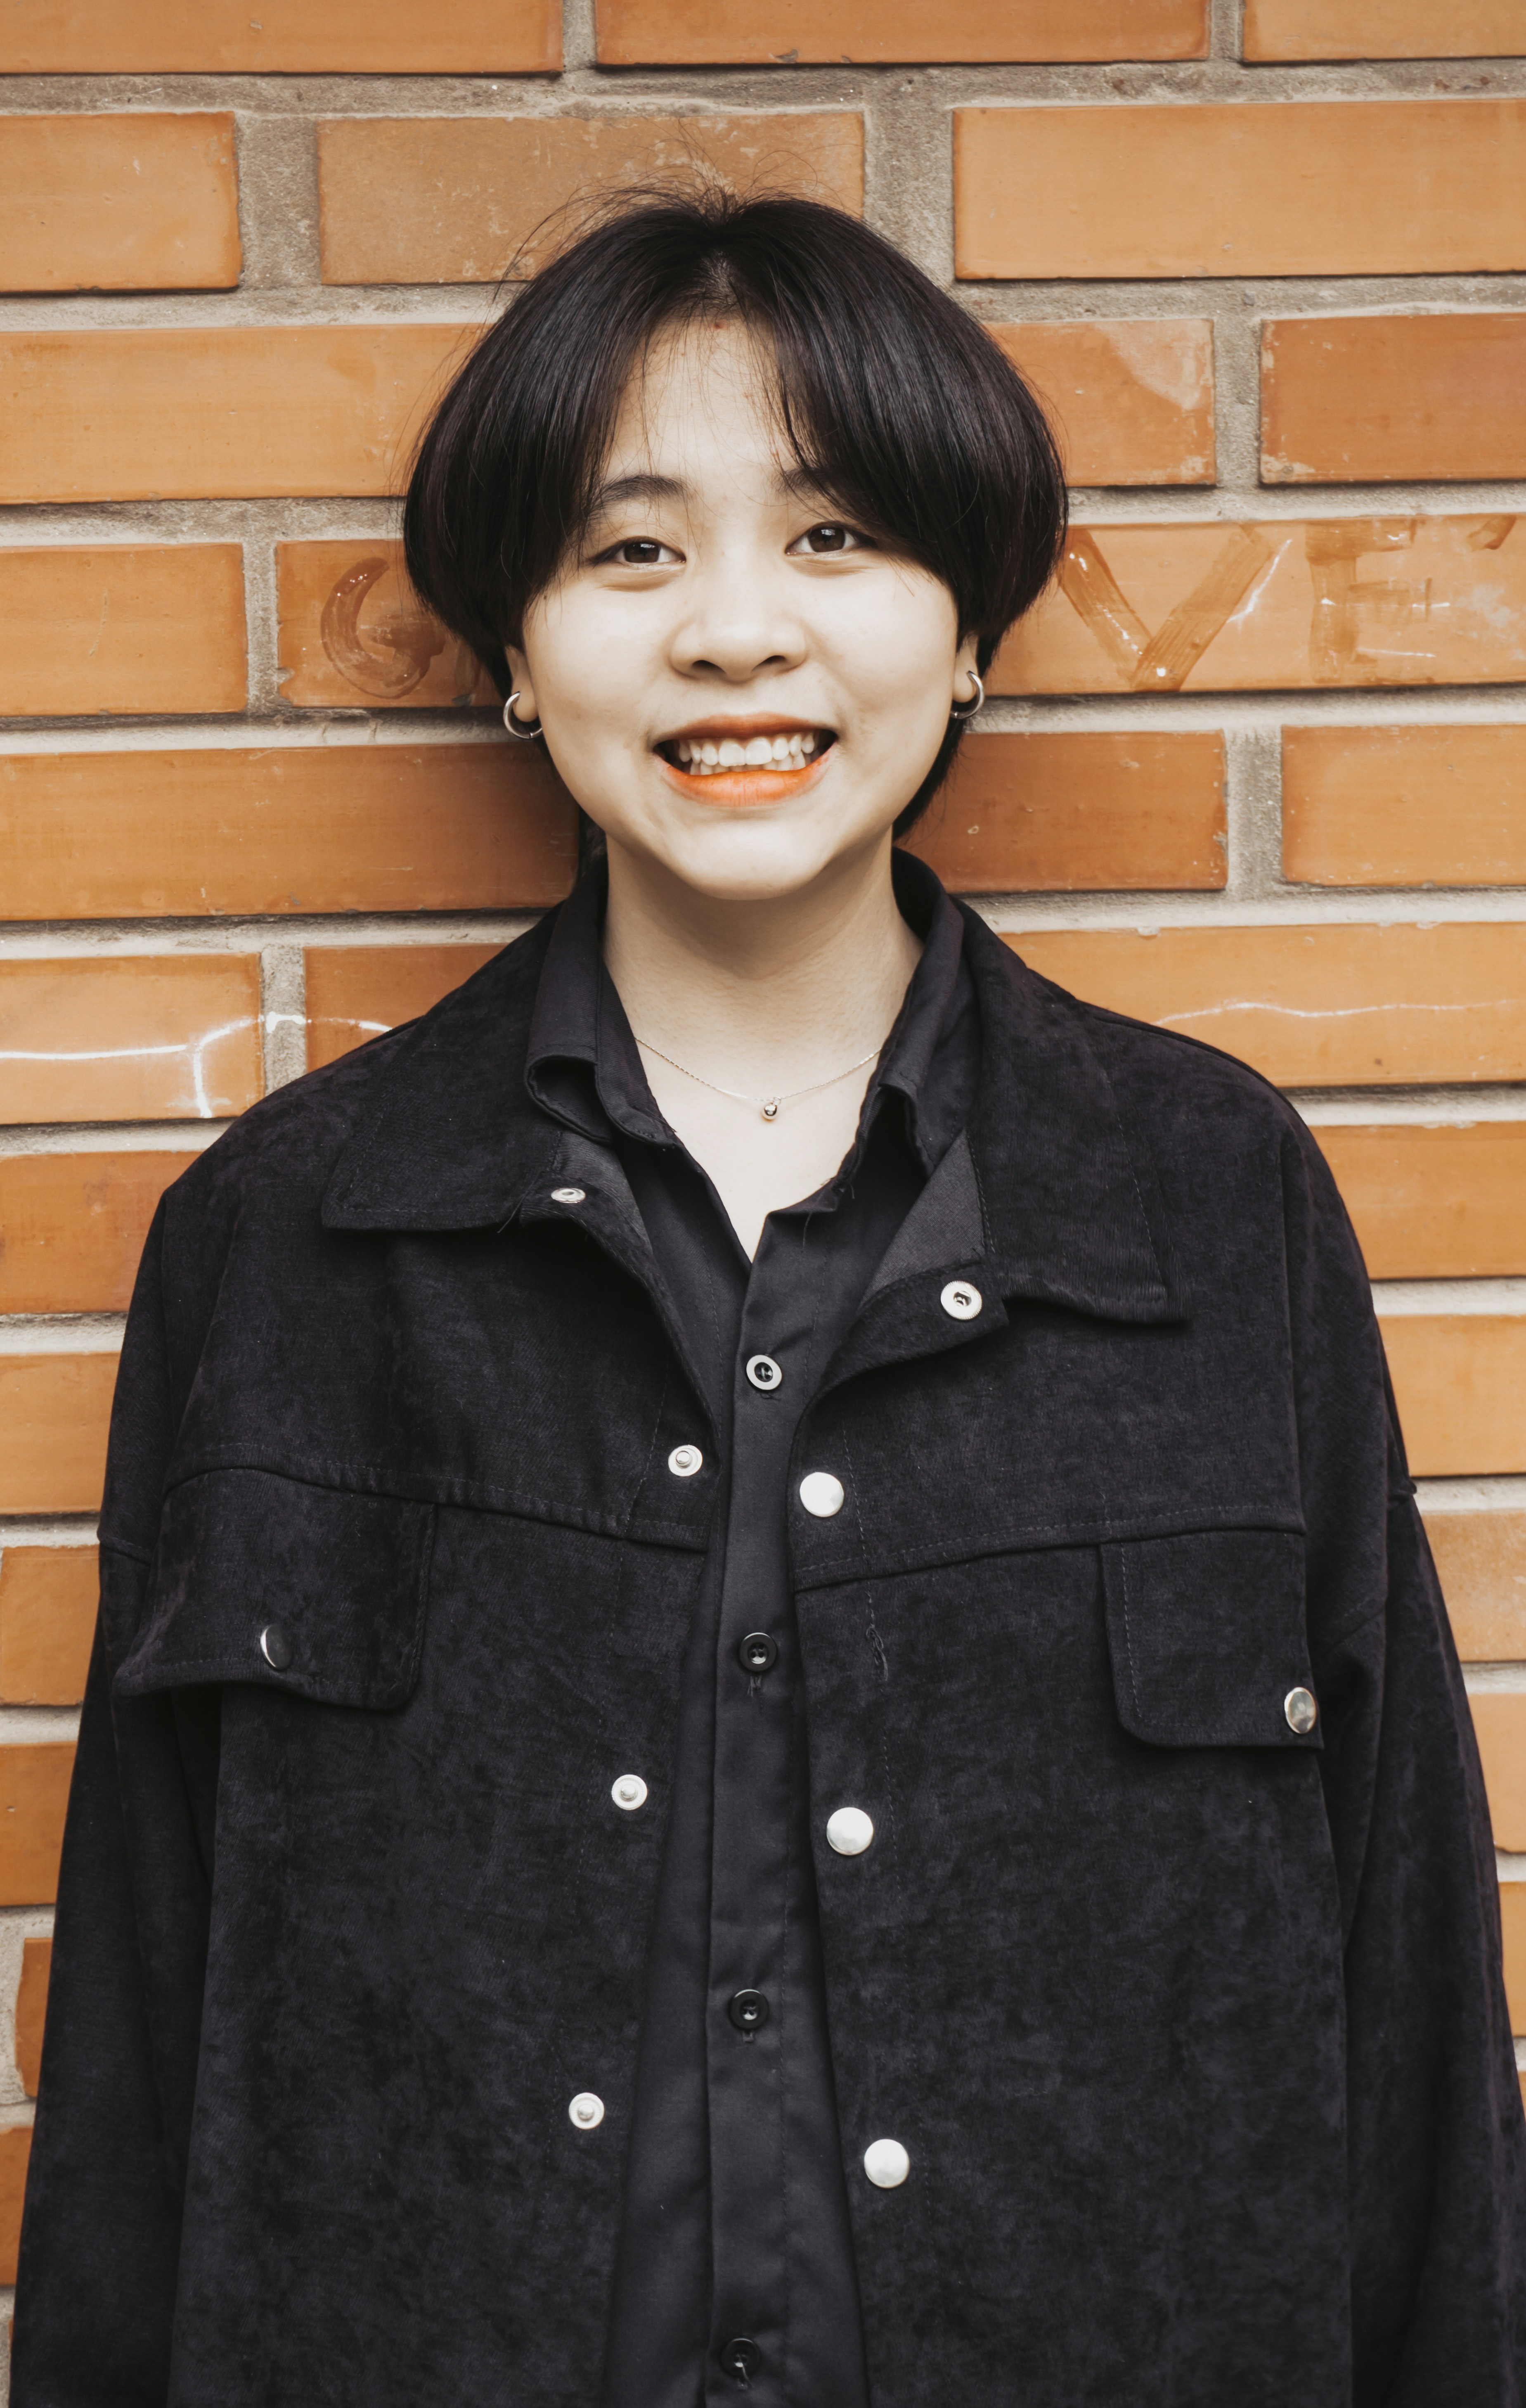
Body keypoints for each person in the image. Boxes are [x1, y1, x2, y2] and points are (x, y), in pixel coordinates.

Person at [15, 188, 1525, 2408]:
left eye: (833, 538)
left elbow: (1406, 1991)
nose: (737, 632)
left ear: (970, 627)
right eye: (633, 549)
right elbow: (145, 2033)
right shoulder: (286, 1236)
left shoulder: (1208, 1205)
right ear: (517, 647)